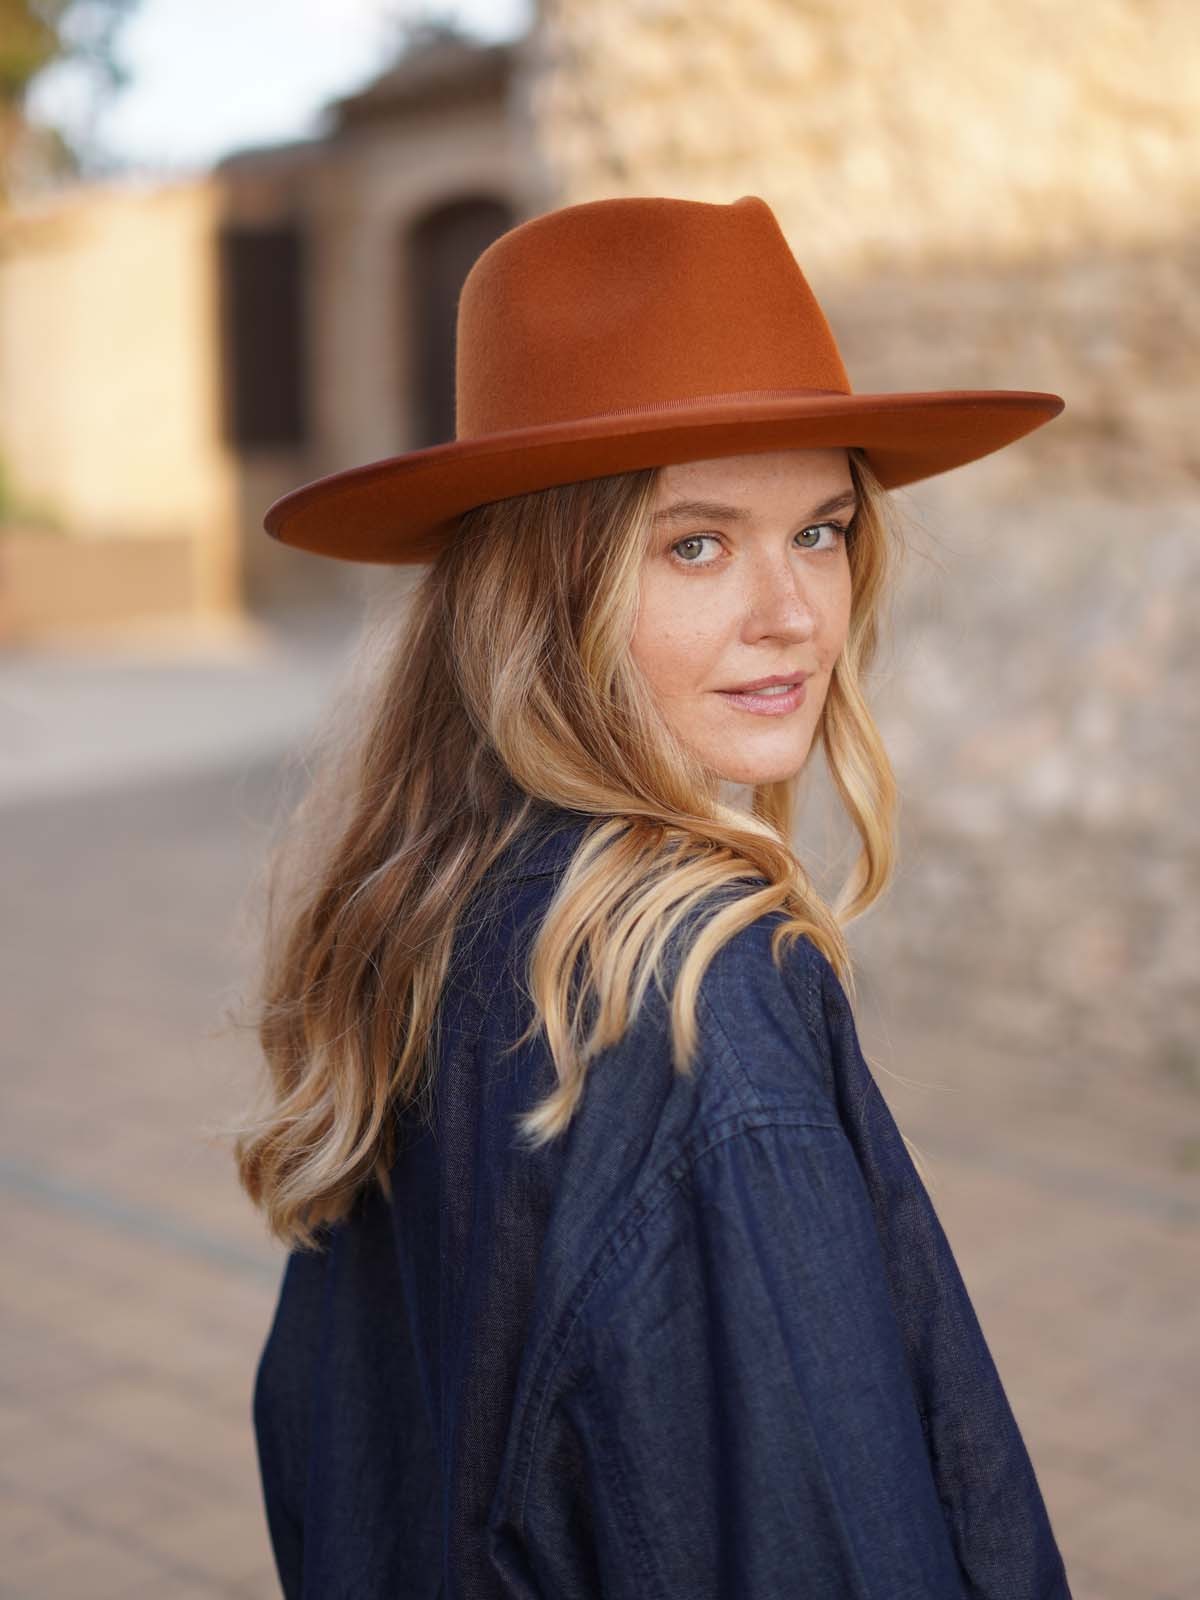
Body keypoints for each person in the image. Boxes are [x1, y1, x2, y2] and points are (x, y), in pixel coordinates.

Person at [232, 195, 1073, 1597]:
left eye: (820, 530)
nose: (793, 614)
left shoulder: (427, 902)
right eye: (696, 543)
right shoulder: (702, 1005)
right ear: (535, 592)